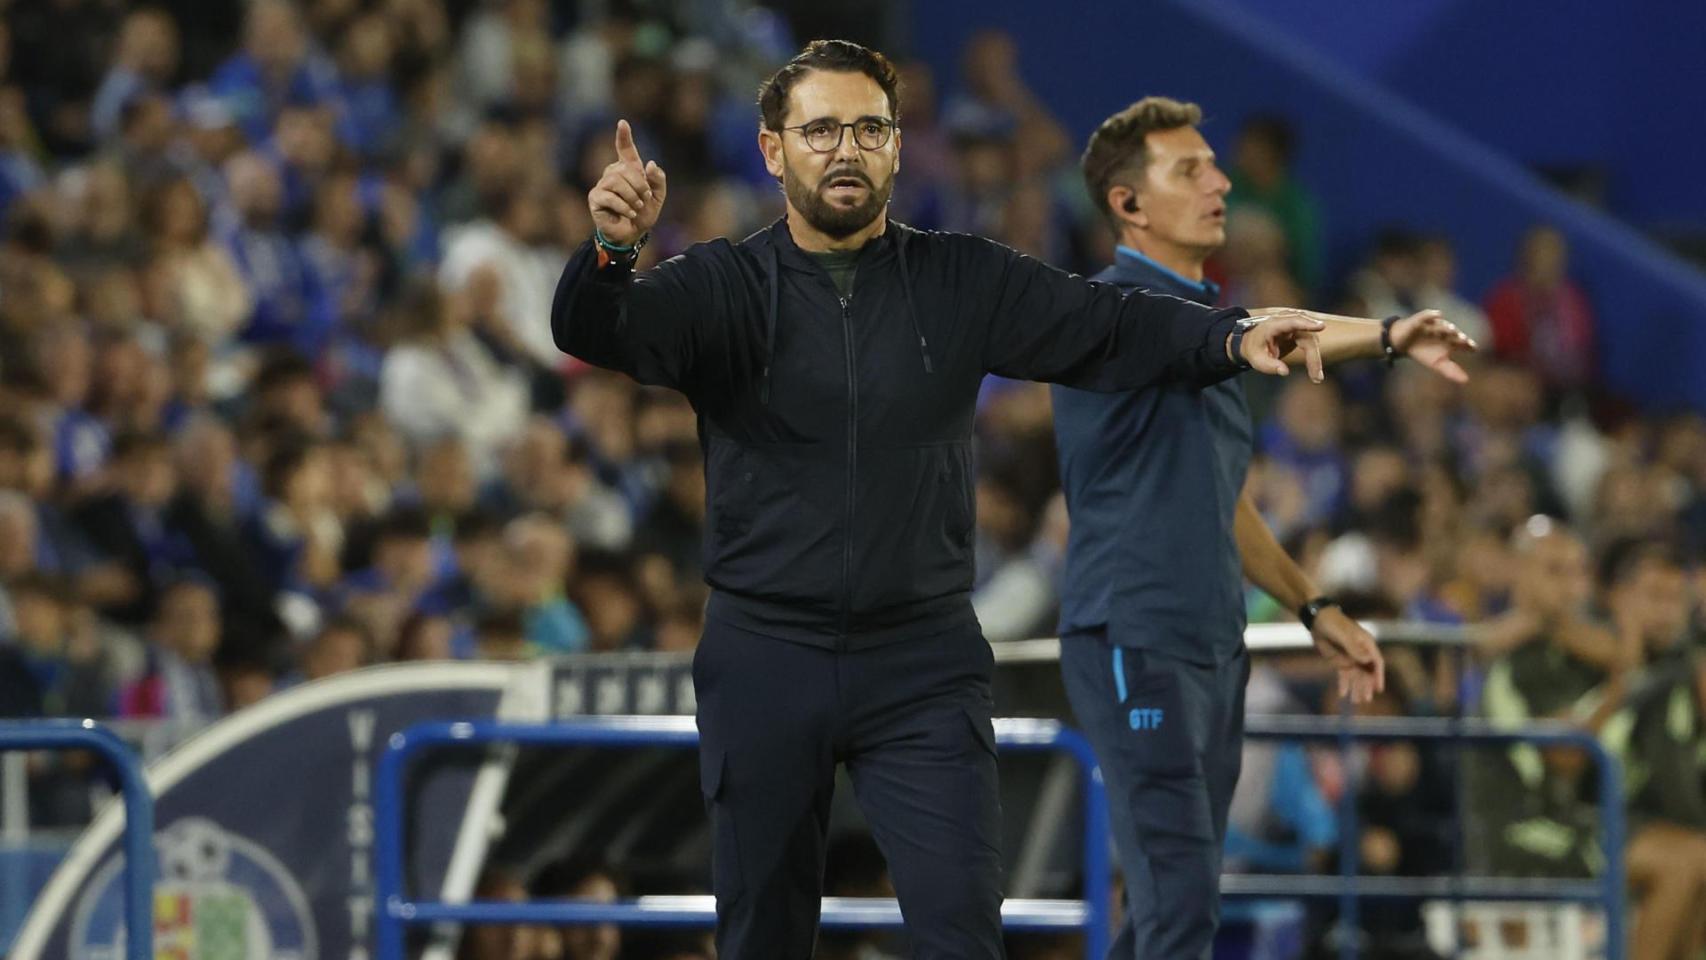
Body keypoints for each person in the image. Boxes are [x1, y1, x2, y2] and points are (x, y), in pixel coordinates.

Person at [552, 41, 1407, 960]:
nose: (847, 149)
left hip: (920, 660)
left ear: (894, 144)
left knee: (964, 933)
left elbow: (1107, 324)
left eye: (870, 128)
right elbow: (598, 329)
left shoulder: (961, 277)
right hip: (765, 653)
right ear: (773, 150)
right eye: (822, 130)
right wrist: (610, 248)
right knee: (763, 934)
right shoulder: (723, 284)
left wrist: (1232, 339)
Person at [1055, 96, 1476, 959]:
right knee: (1179, 907)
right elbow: (1260, 332)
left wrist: (1314, 607)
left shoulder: (1206, 330)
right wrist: (1390, 332)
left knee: (1173, 907)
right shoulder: (1114, 311)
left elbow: (1224, 499)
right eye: (1190, 170)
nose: (1221, 182)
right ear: (1127, 207)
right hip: (1136, 638)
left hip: (1212, 642)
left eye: (1215, 164)